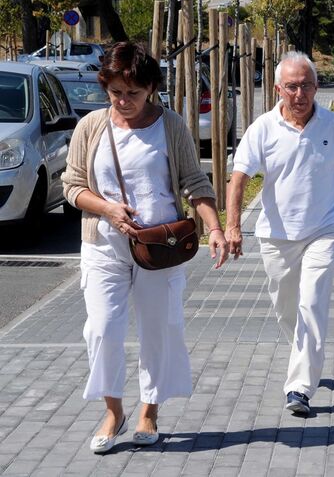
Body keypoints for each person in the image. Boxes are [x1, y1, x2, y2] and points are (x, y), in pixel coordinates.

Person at [62, 42, 229, 453]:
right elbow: (72, 186)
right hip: (104, 244)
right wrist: (107, 209)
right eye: (116, 92)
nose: (123, 101)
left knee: (160, 330)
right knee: (101, 329)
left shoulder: (170, 126)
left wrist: (216, 229)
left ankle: (149, 411)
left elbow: (195, 182)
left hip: (161, 247)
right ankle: (113, 410)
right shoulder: (92, 127)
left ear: (151, 88)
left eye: (133, 93)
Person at [226, 51, 334, 415]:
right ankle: (306, 353)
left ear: (317, 87)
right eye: (292, 87)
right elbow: (239, 177)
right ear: (277, 89)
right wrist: (233, 226)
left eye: (306, 86)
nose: (299, 94)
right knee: (286, 307)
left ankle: (300, 387)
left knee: (312, 302)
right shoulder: (262, 129)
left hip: (324, 228)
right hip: (276, 235)